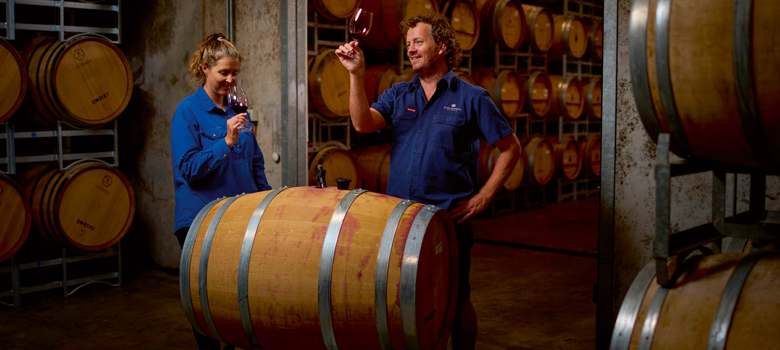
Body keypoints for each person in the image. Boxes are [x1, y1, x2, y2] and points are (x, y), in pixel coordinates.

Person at [335, 12, 522, 350]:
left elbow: (510, 148)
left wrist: (484, 196)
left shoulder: (471, 97)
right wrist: (356, 74)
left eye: (418, 42)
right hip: (400, 221)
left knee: (457, 298)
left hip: (448, 220)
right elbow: (363, 123)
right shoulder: (398, 95)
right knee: (402, 299)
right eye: (408, 44)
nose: (411, 49)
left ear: (442, 47)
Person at [171, 33, 271, 350]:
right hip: (201, 221)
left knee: (240, 300)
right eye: (223, 72)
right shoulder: (187, 112)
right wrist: (225, 143)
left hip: (240, 219)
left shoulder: (238, 112)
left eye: (235, 73)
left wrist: (268, 206)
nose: (230, 79)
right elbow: (188, 170)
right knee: (207, 303)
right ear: (205, 68)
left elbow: (255, 165)